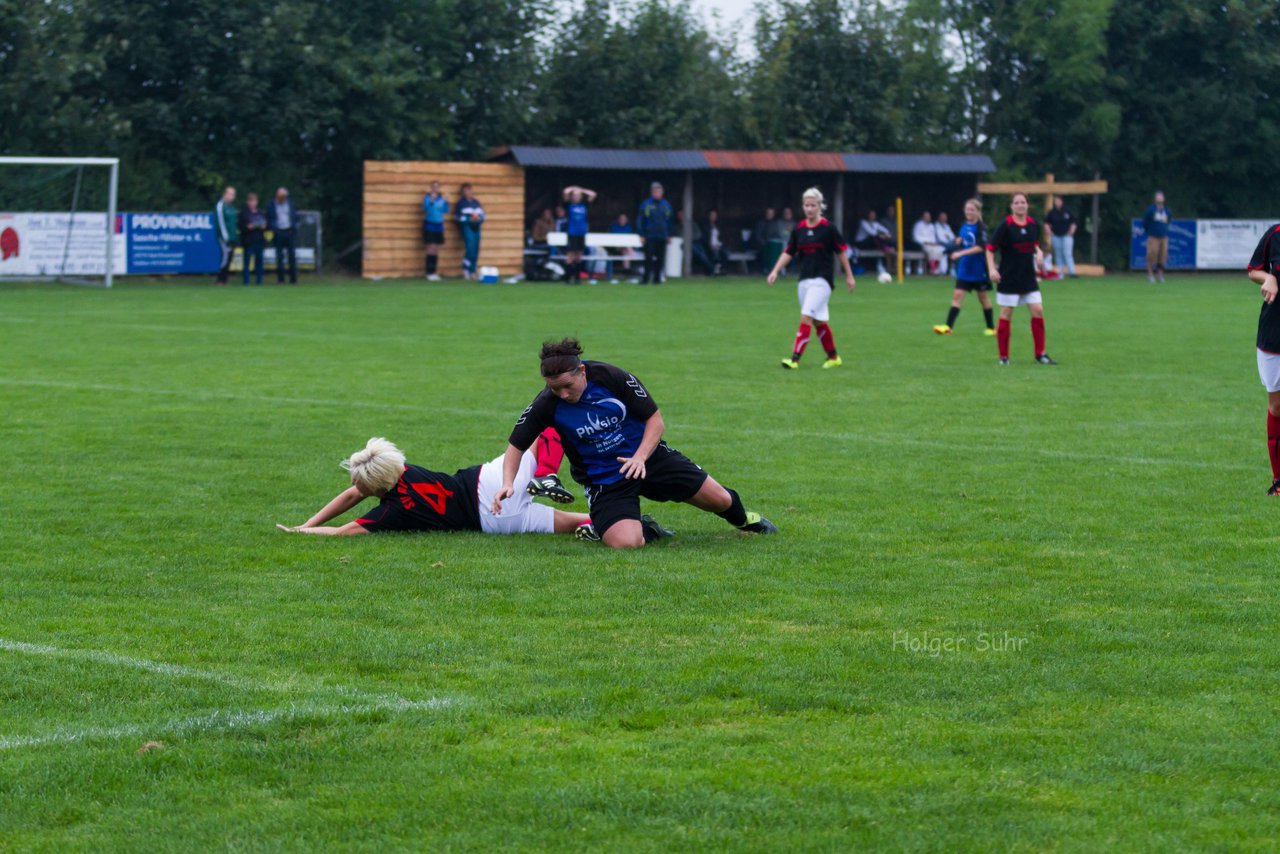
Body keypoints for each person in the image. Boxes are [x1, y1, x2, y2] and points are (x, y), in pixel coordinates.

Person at [492, 338, 777, 549]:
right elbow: (516, 445)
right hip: (605, 480)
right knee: (626, 543)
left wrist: (640, 458)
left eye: (568, 385)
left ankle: (745, 521)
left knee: (721, 500)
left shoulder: (611, 377)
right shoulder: (547, 403)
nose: (563, 394)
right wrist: (508, 482)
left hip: (648, 458)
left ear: (582, 370)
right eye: (555, 388)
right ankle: (646, 528)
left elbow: (655, 421)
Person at [276, 434, 591, 537]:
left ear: (375, 487)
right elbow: (354, 493)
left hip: (494, 521)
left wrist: (303, 528)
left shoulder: (392, 512)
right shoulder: (403, 470)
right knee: (550, 428)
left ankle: (624, 526)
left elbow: (341, 531)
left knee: (580, 523)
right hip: (489, 481)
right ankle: (546, 473)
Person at [768, 187, 856, 370]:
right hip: (804, 281)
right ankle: (833, 357)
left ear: (820, 206)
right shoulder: (799, 228)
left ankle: (794, 359)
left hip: (822, 281)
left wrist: (849, 275)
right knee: (818, 322)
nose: (809, 209)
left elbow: (841, 252)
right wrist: (775, 270)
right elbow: (789, 252)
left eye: (813, 205)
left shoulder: (828, 228)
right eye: (806, 205)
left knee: (805, 317)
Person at [986, 191, 1055, 366]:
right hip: (1009, 278)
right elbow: (990, 249)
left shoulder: (1033, 225)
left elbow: (1035, 244)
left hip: (1028, 278)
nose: (1020, 205)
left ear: (1027, 205)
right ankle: (1004, 357)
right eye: (1016, 202)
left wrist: (1039, 253)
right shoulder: (1005, 226)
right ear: (1012, 206)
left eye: (1022, 202)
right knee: (1006, 314)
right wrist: (992, 269)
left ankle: (1040, 354)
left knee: (1038, 310)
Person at [1245, 224, 1280, 494]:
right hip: (1274, 332)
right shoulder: (1274, 234)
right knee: (1277, 405)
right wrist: (1268, 278)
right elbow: (1253, 269)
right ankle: (1278, 480)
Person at [933, 198, 995, 336]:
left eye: (972, 210)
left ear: (978, 211)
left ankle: (991, 328)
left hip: (979, 269)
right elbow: (963, 240)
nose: (969, 212)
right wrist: (958, 242)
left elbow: (980, 247)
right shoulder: (964, 226)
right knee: (957, 295)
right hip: (965, 268)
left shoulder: (981, 228)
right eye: (967, 209)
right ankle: (948, 327)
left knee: (983, 298)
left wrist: (960, 253)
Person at [636, 182, 673, 285]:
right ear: (652, 193)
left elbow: (670, 221)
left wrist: (669, 235)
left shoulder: (666, 205)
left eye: (660, 192)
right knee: (648, 258)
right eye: (656, 192)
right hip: (649, 236)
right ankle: (645, 278)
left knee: (660, 259)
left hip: (662, 236)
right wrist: (641, 234)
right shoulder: (646, 205)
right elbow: (640, 220)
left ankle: (657, 279)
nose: (658, 194)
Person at [560, 184, 597, 282]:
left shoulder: (584, 205)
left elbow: (593, 194)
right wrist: (573, 188)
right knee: (570, 255)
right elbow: (565, 191)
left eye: (578, 195)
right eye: (574, 195)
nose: (576, 197)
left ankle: (577, 277)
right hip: (572, 233)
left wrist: (582, 190)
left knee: (579, 255)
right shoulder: (569, 205)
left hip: (582, 233)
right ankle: (567, 277)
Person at [266, 187, 299, 284]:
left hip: (289, 232)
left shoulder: (291, 204)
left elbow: (296, 217)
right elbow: (269, 218)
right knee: (279, 257)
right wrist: (273, 228)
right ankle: (281, 279)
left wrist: (294, 228)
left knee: (292, 256)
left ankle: (293, 279)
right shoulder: (271, 205)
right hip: (278, 232)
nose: (283, 198)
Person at [455, 183, 485, 280]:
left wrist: (478, 219)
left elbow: (482, 215)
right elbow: (457, 217)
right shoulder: (461, 203)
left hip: (476, 226)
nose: (468, 192)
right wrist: (468, 219)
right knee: (470, 248)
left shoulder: (476, 202)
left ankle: (473, 270)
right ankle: (466, 269)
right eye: (465, 190)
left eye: (469, 190)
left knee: (476, 249)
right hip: (467, 227)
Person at [421, 180, 449, 280]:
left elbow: (446, 210)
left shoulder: (441, 199)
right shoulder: (427, 197)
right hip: (430, 223)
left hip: (439, 224)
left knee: (436, 248)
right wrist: (431, 202)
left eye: (437, 186)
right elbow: (425, 209)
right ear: (431, 187)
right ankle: (429, 272)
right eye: (433, 186)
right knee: (430, 248)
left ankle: (434, 272)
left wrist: (446, 202)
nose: (435, 188)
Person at [855, 209, 895, 274]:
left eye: (874, 215)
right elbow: (872, 233)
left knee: (880, 238)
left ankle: (887, 249)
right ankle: (885, 248)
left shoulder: (875, 224)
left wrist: (887, 234)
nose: (872, 216)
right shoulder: (863, 222)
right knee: (875, 238)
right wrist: (882, 236)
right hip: (861, 243)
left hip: (871, 243)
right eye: (871, 214)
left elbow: (885, 230)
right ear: (868, 215)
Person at [1045, 195, 1077, 278]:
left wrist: (1071, 232)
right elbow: (1047, 223)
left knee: (1067, 254)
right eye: (1056, 201)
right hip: (1056, 236)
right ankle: (1060, 273)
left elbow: (1073, 222)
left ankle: (1072, 272)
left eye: (1058, 201)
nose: (1057, 202)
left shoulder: (1067, 211)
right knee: (1058, 255)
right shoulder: (1051, 212)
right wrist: (1050, 232)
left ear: (1062, 202)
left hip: (1067, 236)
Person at [1143, 191, 1171, 283]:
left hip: (1163, 236)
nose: (1159, 199)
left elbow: (1168, 221)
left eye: (1161, 197)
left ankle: (1160, 274)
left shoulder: (1167, 210)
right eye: (1158, 197)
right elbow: (1145, 222)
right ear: (1155, 199)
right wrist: (1150, 232)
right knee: (1152, 254)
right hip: (1153, 236)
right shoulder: (1151, 210)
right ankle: (1150, 274)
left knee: (1163, 256)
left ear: (1164, 199)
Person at [240, 192, 266, 286]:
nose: (253, 203)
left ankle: (259, 281)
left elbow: (266, 225)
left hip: (259, 240)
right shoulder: (244, 213)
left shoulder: (261, 213)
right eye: (251, 201)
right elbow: (241, 226)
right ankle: (246, 281)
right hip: (248, 241)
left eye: (254, 201)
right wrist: (248, 227)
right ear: (248, 202)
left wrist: (263, 226)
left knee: (259, 262)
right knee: (247, 262)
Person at [214, 185, 237, 286]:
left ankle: (225, 278)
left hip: (232, 237)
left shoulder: (231, 207)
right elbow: (221, 222)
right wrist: (226, 237)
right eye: (230, 194)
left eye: (233, 194)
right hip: (224, 237)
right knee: (225, 256)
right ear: (225, 194)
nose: (232, 196)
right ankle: (220, 279)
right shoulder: (220, 206)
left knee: (229, 257)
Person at [911, 211, 942, 275]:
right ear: (923, 217)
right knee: (931, 250)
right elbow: (916, 237)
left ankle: (934, 268)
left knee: (939, 249)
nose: (928, 218)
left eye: (929, 216)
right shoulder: (918, 225)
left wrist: (933, 243)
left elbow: (933, 237)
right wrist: (926, 242)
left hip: (931, 244)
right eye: (926, 216)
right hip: (921, 245)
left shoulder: (931, 226)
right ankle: (932, 269)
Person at [702, 209, 728, 276]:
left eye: (715, 215)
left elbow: (722, 238)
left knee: (726, 253)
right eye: (712, 215)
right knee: (715, 253)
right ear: (709, 216)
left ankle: (721, 269)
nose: (714, 217)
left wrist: (719, 245)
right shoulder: (705, 226)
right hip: (709, 246)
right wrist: (711, 245)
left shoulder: (718, 226)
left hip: (718, 245)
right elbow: (704, 238)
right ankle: (713, 270)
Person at [933, 212, 956, 276]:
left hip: (949, 245)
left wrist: (952, 241)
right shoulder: (935, 226)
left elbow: (952, 237)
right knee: (945, 251)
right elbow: (939, 238)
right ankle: (941, 271)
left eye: (945, 218)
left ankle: (951, 270)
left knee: (954, 249)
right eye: (942, 218)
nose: (944, 219)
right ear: (939, 218)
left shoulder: (947, 226)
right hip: (939, 244)